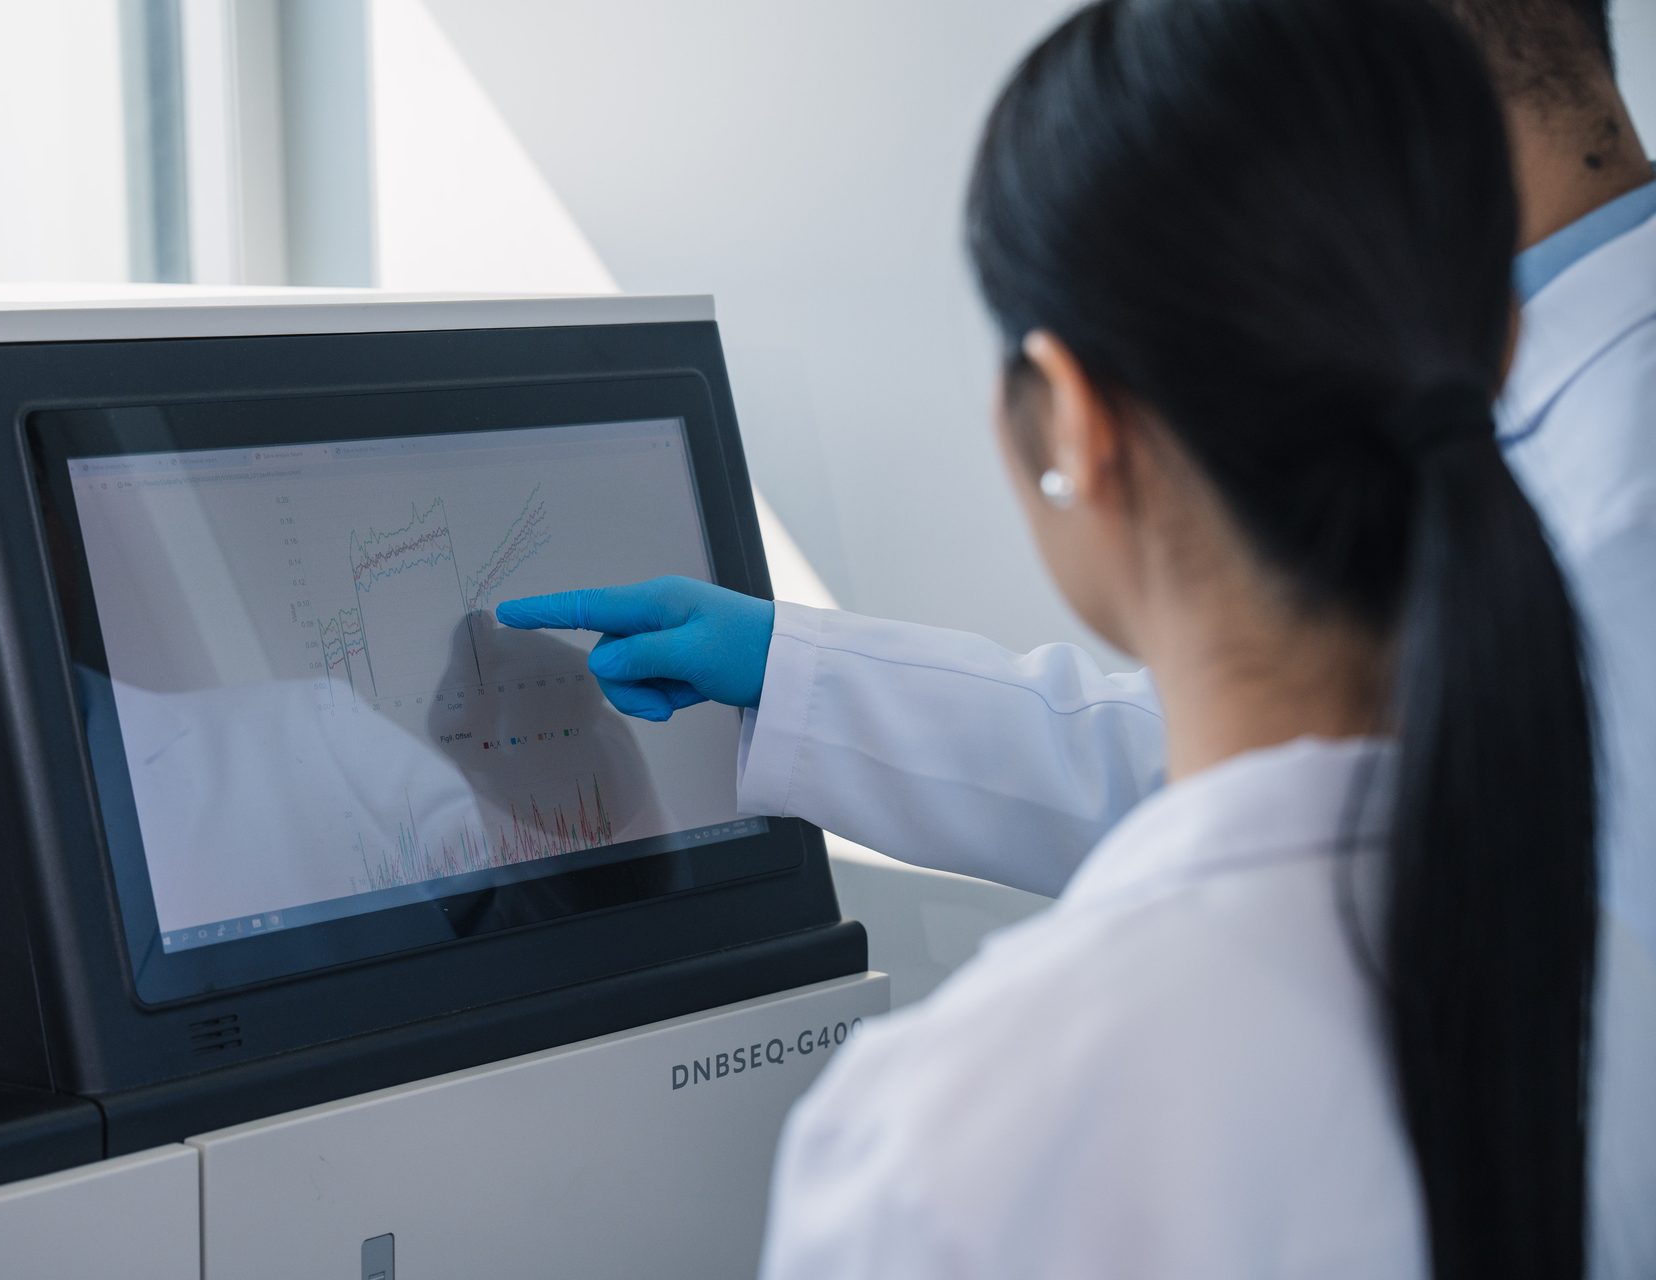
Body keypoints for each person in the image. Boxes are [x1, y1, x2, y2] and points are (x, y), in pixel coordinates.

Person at [496, 0, 1630, 1273]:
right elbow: (1255, 742)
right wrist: (792, 667)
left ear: (1073, 424)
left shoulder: (943, 1140)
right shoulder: (1539, 981)